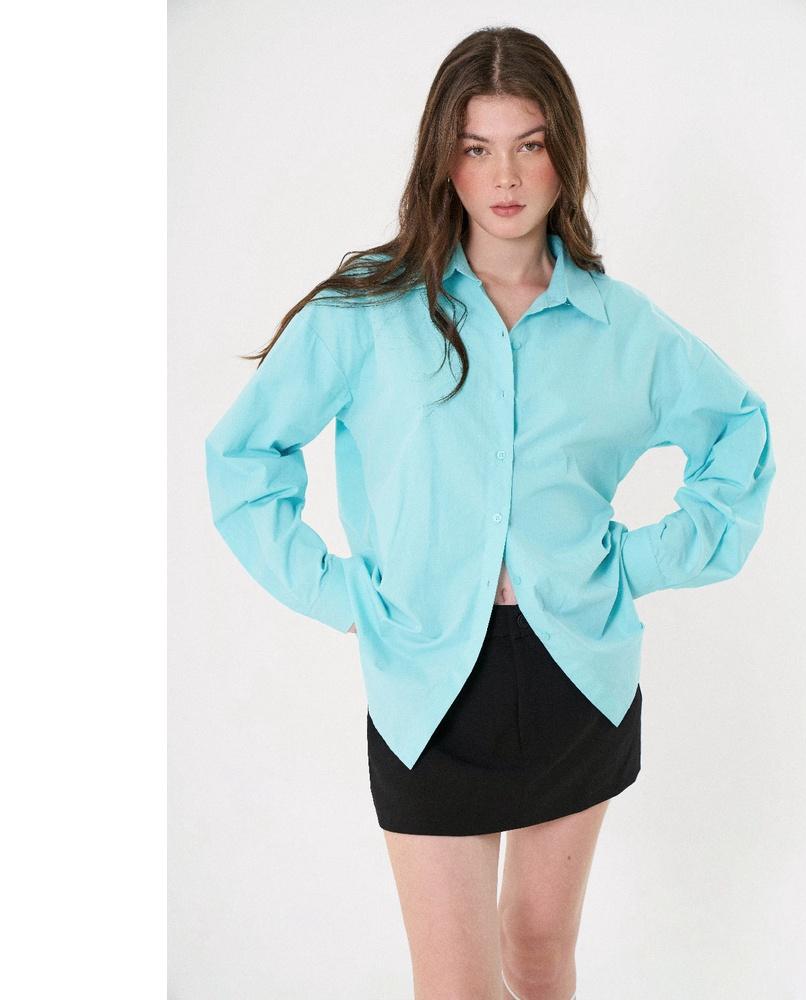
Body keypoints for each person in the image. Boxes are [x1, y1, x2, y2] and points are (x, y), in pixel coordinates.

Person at [204, 25, 776, 1000]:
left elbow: (739, 432)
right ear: (445, 160)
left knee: (541, 956)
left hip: (578, 675)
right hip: (425, 680)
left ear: (564, 156)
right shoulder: (367, 312)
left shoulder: (622, 328)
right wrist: (344, 594)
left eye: (529, 144)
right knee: (457, 985)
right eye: (476, 147)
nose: (504, 176)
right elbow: (242, 457)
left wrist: (635, 565)